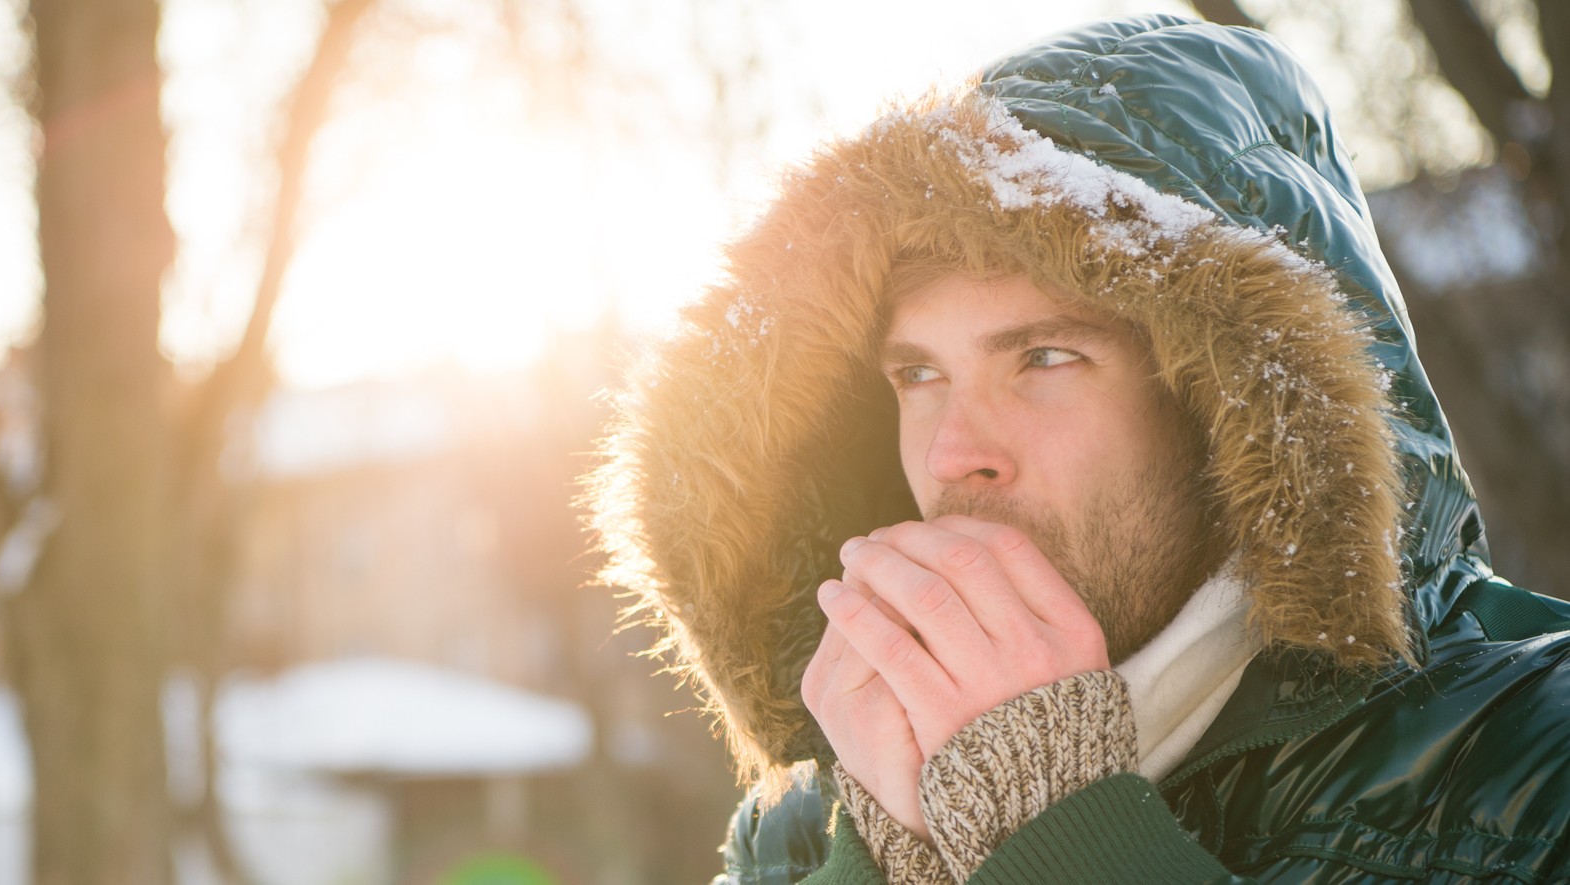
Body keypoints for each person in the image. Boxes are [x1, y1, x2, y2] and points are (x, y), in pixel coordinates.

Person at [586, 13, 1570, 883]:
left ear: (1222, 410)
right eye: (917, 374)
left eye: (1043, 357)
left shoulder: (1537, 763)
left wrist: (1057, 837)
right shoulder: (800, 832)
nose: (951, 456)